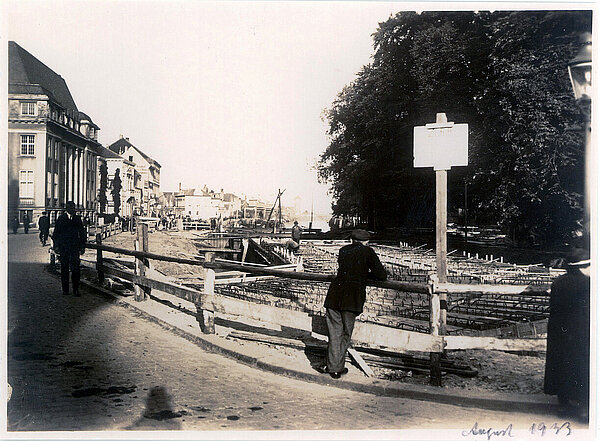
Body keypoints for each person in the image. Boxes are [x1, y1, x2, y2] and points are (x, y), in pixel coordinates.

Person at [318, 229, 387, 378]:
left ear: (352, 240)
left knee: (335, 334)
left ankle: (333, 367)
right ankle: (335, 368)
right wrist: (364, 274)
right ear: (366, 242)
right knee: (345, 334)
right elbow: (381, 275)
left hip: (334, 296)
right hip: (351, 299)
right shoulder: (367, 252)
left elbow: (346, 269)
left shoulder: (343, 251)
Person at [544, 247, 590, 422]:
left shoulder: (558, 282)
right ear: (582, 267)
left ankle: (563, 403)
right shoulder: (588, 283)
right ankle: (584, 406)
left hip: (558, 329)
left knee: (560, 364)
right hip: (581, 329)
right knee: (582, 365)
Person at [52, 201, 86, 296]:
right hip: (64, 249)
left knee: (76, 269)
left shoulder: (77, 219)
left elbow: (82, 233)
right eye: (70, 207)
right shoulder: (61, 219)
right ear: (66, 208)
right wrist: (57, 246)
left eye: (73, 207)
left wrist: (82, 246)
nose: (72, 209)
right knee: (64, 269)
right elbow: (56, 234)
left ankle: (76, 289)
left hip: (75, 249)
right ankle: (65, 289)